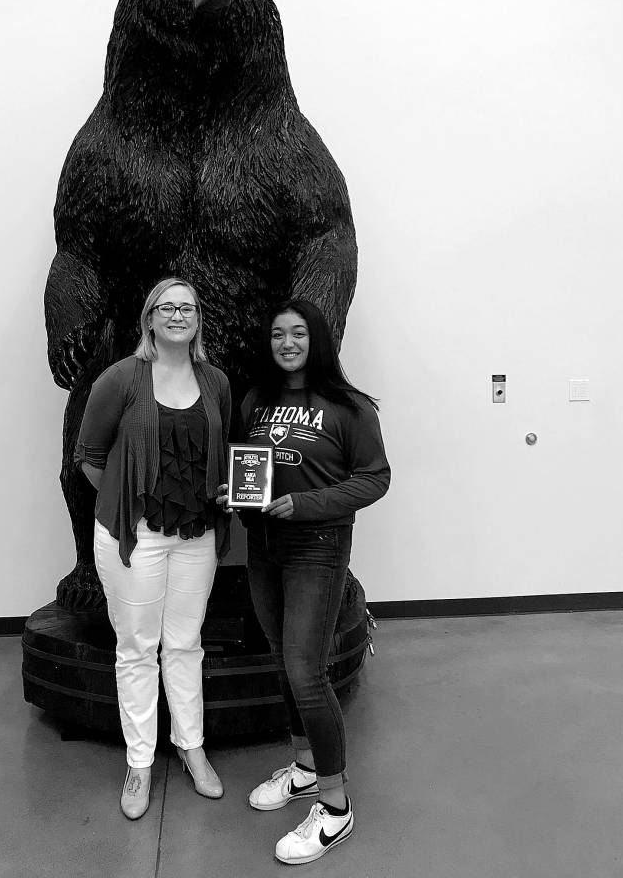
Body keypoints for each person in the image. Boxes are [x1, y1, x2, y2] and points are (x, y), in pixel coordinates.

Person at [218, 298, 390, 864]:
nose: (286, 343)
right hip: (265, 547)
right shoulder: (255, 401)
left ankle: (335, 810)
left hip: (317, 548)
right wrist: (236, 499)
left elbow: (374, 479)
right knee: (283, 660)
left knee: (306, 672)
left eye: (297, 334)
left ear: (316, 339)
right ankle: (306, 770)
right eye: (276, 335)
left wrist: (307, 504)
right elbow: (250, 473)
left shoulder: (350, 407)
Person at [75, 277, 231, 820]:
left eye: (187, 306)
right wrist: (127, 499)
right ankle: (139, 762)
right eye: (166, 305)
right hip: (135, 539)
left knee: (185, 644)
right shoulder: (120, 379)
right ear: (148, 318)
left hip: (196, 537)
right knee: (137, 648)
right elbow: (90, 455)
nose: (177, 314)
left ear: (197, 319)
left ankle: (192, 748)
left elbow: (222, 452)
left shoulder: (216, 382)